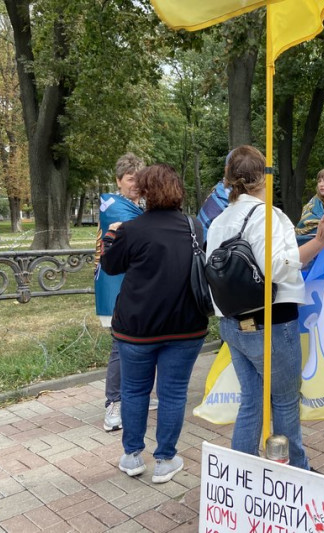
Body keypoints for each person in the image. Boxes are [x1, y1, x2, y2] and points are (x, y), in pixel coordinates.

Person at [206, 145, 324, 470]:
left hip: (234, 323)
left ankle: (240, 474)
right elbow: (276, 267)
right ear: (263, 176)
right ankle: (297, 472)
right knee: (286, 402)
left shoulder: (219, 220)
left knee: (251, 400)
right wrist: (318, 242)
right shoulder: (268, 216)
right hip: (273, 323)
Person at [100, 164, 208, 484]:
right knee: (173, 393)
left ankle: (132, 455)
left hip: (137, 327)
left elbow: (110, 265)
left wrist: (110, 236)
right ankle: (165, 459)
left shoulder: (131, 229)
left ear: (145, 191)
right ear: (178, 190)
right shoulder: (194, 227)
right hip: (186, 325)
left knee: (134, 391)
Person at [94, 153, 156, 433]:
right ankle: (113, 404)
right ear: (119, 180)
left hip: (134, 286)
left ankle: (137, 395)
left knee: (142, 342)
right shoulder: (112, 205)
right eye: (131, 179)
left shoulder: (135, 208)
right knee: (121, 345)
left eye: (139, 180)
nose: (136, 184)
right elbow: (144, 231)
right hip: (116, 287)